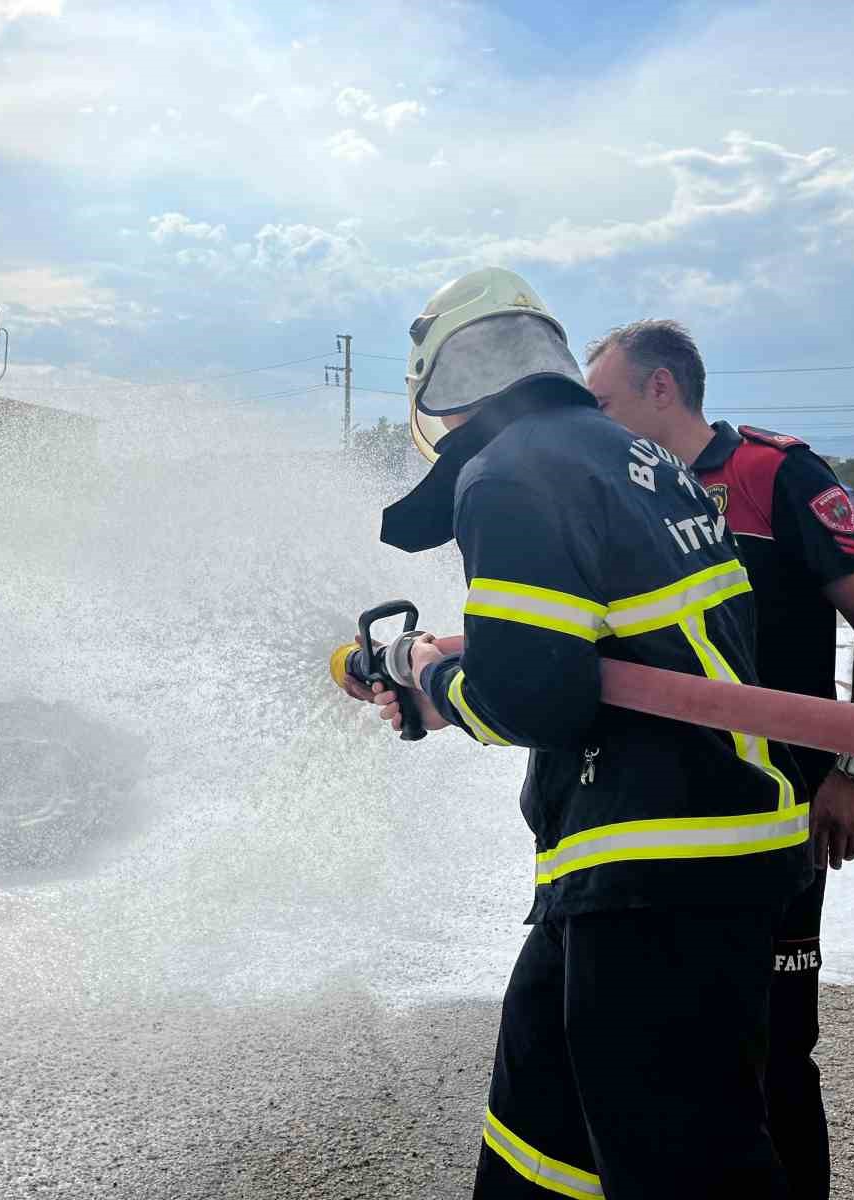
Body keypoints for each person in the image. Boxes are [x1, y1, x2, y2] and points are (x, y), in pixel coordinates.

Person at [344, 268, 813, 1198]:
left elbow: (537, 700)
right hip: (666, 857)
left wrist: (433, 681)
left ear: (445, 380)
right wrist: (461, 664)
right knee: (540, 1139)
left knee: (686, 1169)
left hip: (659, 870)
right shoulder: (633, 458)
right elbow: (623, 638)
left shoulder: (512, 470)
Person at [584, 319, 854, 1200]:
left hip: (777, 827)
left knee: (772, 1048)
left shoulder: (777, 477)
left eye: (605, 400)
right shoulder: (611, 491)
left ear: (664, 389)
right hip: (649, 824)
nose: (594, 420)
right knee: (652, 1044)